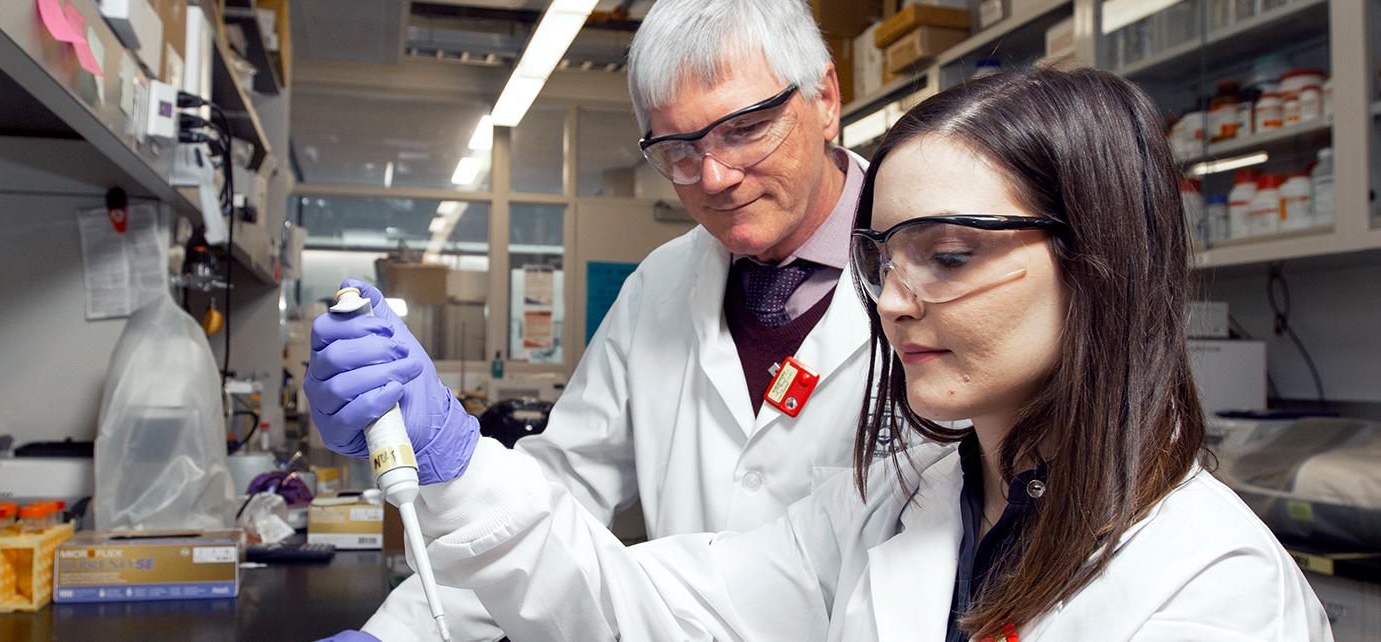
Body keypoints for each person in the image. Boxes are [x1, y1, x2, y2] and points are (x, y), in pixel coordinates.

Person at [351, 69, 1336, 640]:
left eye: (947, 256)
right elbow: (640, 604)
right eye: (882, 258)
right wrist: (456, 464)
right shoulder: (896, 504)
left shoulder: (1210, 588)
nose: (894, 304)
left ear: (1098, 260)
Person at [306, 1, 888, 639]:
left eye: (746, 129)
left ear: (826, 98)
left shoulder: (934, 279)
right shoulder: (659, 287)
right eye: (679, 150)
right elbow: (558, 494)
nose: (716, 178)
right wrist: (399, 633)